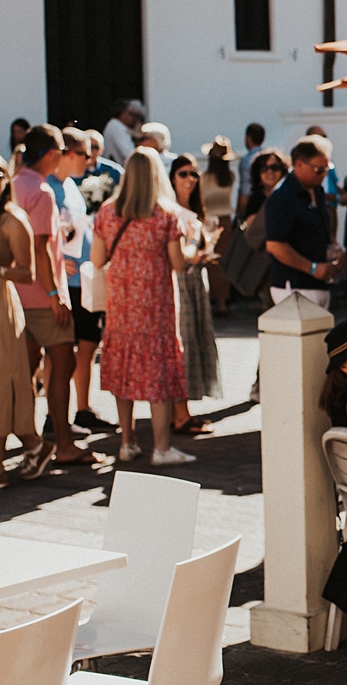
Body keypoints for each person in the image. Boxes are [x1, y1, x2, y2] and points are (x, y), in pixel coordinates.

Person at [91, 149, 194, 468]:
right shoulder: (166, 215)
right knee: (157, 371)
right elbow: (178, 262)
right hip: (156, 305)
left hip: (121, 303)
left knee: (124, 367)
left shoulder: (107, 213)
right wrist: (193, 249)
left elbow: (96, 260)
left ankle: (127, 442)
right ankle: (162, 447)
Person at [12, 124, 86, 473]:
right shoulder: (40, 190)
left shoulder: (15, 183)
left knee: (23, 371)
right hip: (41, 297)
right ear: (53, 154)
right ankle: (63, 444)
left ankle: (32, 443)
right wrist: (56, 295)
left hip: (17, 295)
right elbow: (40, 247)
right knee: (63, 364)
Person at [56, 132, 113, 436]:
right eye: (84, 155)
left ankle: (81, 409)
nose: (90, 161)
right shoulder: (51, 187)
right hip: (67, 283)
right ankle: (60, 417)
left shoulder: (70, 186)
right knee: (63, 350)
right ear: (66, 153)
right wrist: (55, 263)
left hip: (84, 277)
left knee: (87, 345)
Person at [168, 153, 221, 435]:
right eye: (183, 174)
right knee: (183, 343)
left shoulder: (195, 210)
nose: (190, 179)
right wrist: (199, 250)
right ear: (172, 178)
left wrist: (206, 246)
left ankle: (181, 410)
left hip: (196, 279)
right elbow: (180, 255)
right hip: (180, 282)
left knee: (195, 339)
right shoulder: (170, 211)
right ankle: (179, 413)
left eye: (194, 174)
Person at [0, 166, 42, 477]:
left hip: (3, 306)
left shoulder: (14, 219)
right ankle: (34, 446)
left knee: (5, 380)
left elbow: (28, 273)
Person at [264, 137, 341, 306]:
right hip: (294, 285)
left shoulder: (317, 191)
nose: (323, 174)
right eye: (318, 169)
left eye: (326, 168)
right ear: (299, 164)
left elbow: (321, 229)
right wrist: (312, 268)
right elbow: (275, 245)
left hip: (319, 284)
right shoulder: (283, 197)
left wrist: (335, 248)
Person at [199, 136, 238, 312]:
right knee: (223, 261)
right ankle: (223, 301)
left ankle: (212, 299)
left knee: (210, 261)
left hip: (209, 221)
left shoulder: (204, 178)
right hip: (225, 221)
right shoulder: (230, 177)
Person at [101, 99, 144, 168]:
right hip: (117, 169)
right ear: (122, 113)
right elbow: (129, 153)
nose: (132, 118)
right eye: (130, 113)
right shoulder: (117, 127)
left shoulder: (115, 125)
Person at [236, 122, 266, 207]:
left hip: (252, 204)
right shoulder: (267, 158)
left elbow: (245, 189)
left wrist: (240, 212)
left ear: (248, 138)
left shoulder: (246, 161)